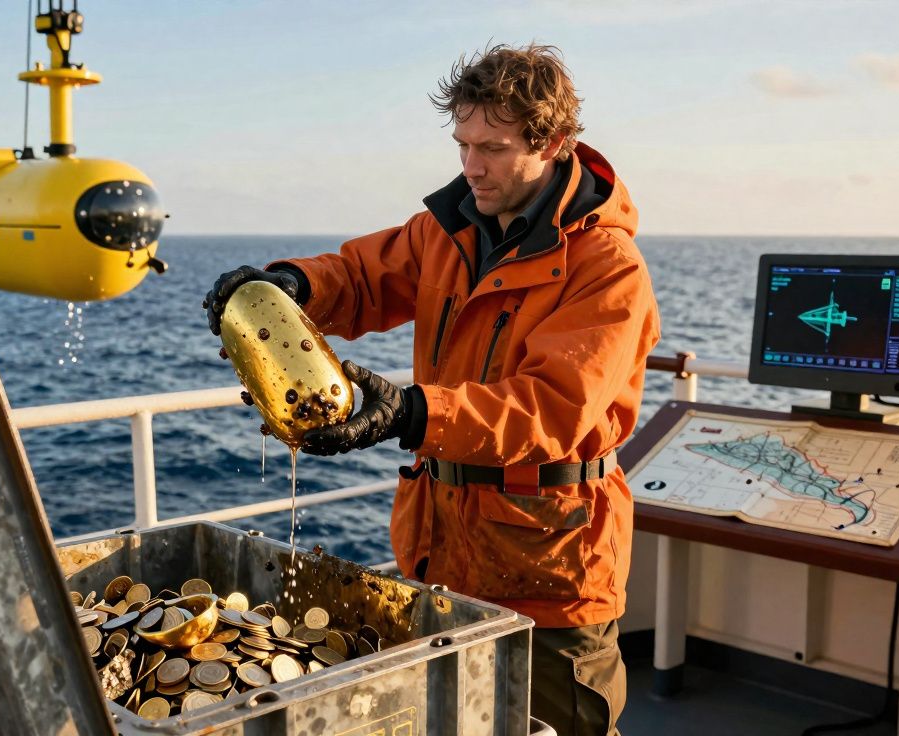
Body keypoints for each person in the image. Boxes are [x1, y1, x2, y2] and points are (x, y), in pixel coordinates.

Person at [204, 44, 659, 735]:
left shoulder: (607, 268)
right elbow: (358, 277)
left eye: (494, 148)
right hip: (442, 548)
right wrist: (287, 284)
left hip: (552, 568)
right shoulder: (445, 231)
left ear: (556, 143)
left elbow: (552, 408)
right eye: (464, 143)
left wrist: (409, 412)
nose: (472, 166)